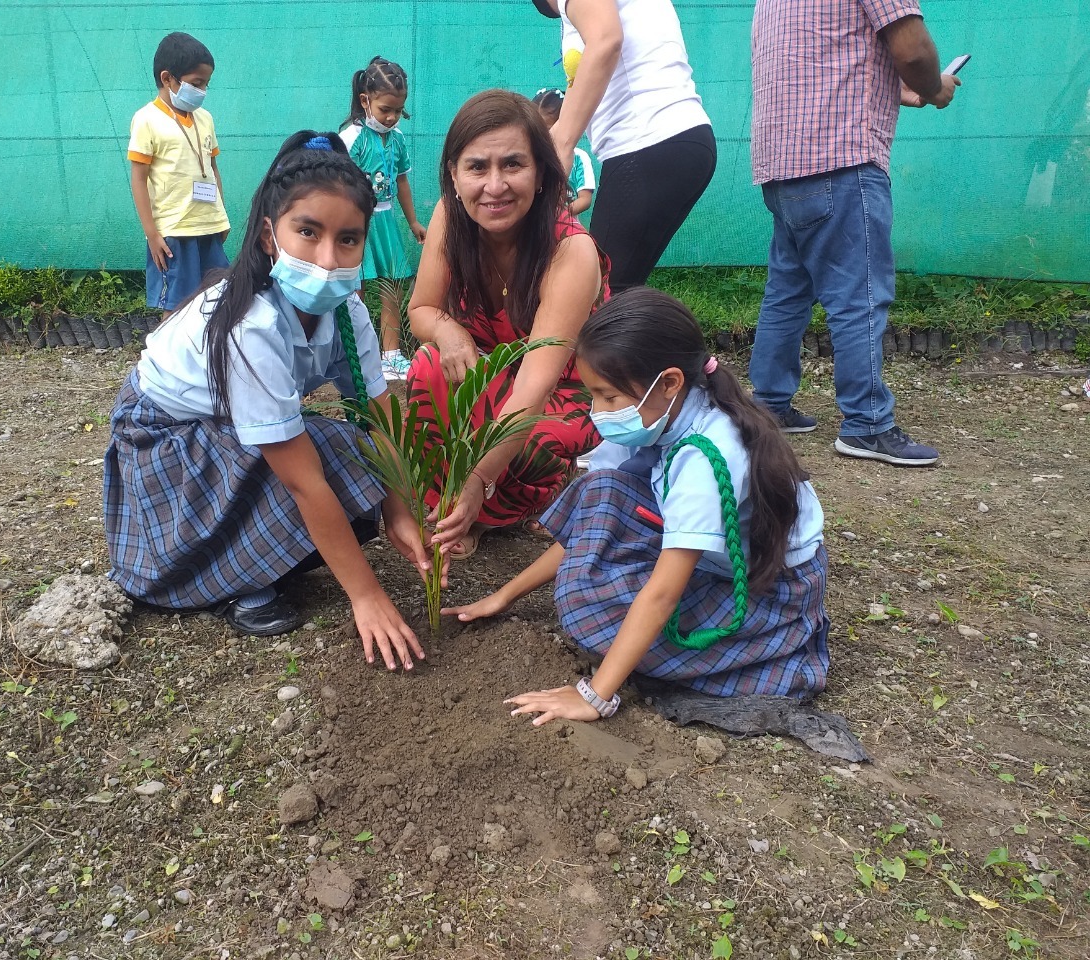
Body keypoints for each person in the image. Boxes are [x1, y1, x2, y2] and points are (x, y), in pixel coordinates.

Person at [104, 131, 431, 672]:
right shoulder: (250, 325)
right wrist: (367, 595)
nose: (327, 259)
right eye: (308, 232)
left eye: (348, 239)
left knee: (346, 449)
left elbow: (381, 423)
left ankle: (260, 559)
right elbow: (302, 481)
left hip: (222, 432)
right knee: (312, 455)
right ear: (267, 235)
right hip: (165, 447)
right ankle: (232, 579)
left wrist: (399, 509)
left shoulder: (348, 314)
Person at [446, 288, 831, 724]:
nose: (598, 412)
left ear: (669, 382)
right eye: (593, 395)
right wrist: (504, 596)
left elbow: (662, 595)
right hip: (722, 557)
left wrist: (594, 696)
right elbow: (591, 521)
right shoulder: (660, 415)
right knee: (599, 491)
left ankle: (779, 651)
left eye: (608, 397)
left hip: (773, 589)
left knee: (589, 611)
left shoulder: (704, 458)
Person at [748, 2, 961, 466]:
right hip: (841, 157)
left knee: (788, 291)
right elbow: (913, 52)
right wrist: (934, 87)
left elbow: (818, 60)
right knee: (859, 295)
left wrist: (894, 89)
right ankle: (867, 424)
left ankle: (766, 406)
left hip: (782, 161)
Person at [406, 90, 609, 559]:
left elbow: (535, 385)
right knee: (430, 367)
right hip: (489, 369)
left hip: (560, 389)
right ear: (454, 175)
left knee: (539, 437)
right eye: (477, 167)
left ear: (540, 174)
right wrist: (450, 331)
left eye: (513, 165)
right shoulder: (450, 215)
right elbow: (421, 310)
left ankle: (504, 502)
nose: (494, 186)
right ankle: (448, 503)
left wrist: (479, 477)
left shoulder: (569, 250)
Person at [530, 0, 717, 293]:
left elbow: (606, 40)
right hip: (669, 140)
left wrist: (563, 143)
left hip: (648, 140)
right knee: (614, 289)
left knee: (601, 293)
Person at [128, 32, 231, 315]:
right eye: (196, 84)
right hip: (173, 232)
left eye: (206, 84)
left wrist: (221, 217)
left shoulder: (205, 119)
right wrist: (152, 234)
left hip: (209, 227)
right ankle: (169, 347)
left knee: (218, 301)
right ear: (167, 78)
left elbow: (212, 168)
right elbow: (138, 179)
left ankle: (210, 346)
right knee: (176, 308)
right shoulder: (146, 119)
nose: (203, 91)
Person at [340, 57, 427, 382]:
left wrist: (413, 222)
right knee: (356, 288)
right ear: (365, 100)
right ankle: (356, 355)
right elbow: (339, 184)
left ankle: (391, 356)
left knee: (393, 286)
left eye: (398, 110)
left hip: (386, 221)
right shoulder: (352, 138)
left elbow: (401, 181)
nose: (391, 117)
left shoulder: (398, 138)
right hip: (358, 224)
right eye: (385, 109)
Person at [533, 89, 596, 217]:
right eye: (538, 130)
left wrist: (560, 216)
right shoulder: (531, 157)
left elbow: (585, 199)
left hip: (564, 223)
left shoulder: (579, 157)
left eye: (549, 129)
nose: (543, 136)